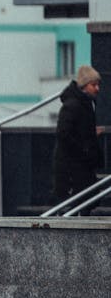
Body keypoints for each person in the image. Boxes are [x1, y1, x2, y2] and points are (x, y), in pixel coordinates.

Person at [53, 65, 104, 204]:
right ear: (84, 86)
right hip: (73, 167)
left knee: (86, 201)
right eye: (93, 85)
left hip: (79, 164)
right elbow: (63, 133)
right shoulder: (74, 105)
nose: (97, 88)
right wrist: (85, 148)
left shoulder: (84, 104)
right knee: (79, 202)